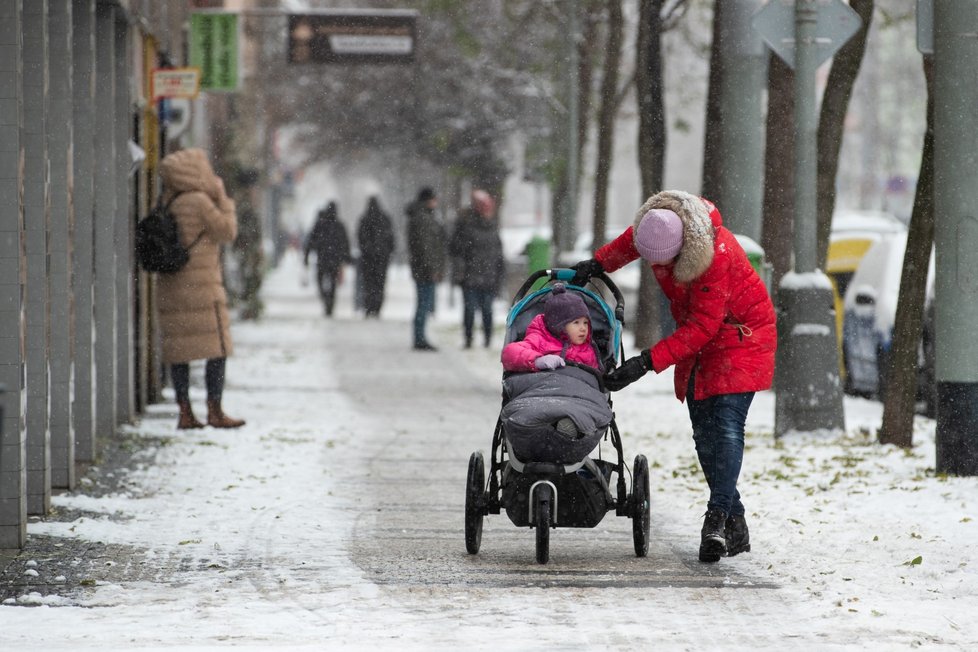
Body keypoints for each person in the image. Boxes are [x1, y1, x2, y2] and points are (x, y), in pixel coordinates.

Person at [571, 189, 776, 563]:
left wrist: (645, 363)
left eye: (664, 262)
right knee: (703, 436)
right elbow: (635, 243)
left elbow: (702, 326)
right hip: (702, 342)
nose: (657, 269)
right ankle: (737, 521)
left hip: (742, 337)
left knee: (726, 428)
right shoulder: (662, 223)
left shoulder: (716, 258)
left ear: (683, 248)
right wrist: (598, 264)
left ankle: (715, 520)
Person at [156, 147, 245, 430]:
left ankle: (185, 411)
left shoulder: (168, 200)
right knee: (217, 348)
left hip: (172, 286)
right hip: (202, 287)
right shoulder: (200, 201)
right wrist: (223, 198)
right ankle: (214, 410)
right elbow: (227, 231)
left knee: (179, 351)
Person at [449, 189, 505, 348]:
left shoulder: (490, 228)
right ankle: (470, 338)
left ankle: (486, 338)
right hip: (472, 276)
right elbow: (457, 250)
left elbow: (498, 254)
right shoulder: (467, 226)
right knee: (471, 310)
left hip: (486, 276)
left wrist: (499, 273)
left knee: (486, 310)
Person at [501, 284, 600, 373]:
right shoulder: (540, 340)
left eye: (586, 323)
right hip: (546, 388)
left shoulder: (588, 349)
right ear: (559, 325)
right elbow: (509, 354)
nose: (583, 328)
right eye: (576, 322)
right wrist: (537, 361)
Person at [406, 187, 447, 351]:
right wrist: (433, 268)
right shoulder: (423, 219)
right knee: (423, 304)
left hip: (422, 268)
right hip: (425, 270)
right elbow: (426, 247)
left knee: (423, 304)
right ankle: (419, 338)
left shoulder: (420, 217)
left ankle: (420, 336)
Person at [304, 202, 351, 316]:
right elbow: (345, 243)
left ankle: (326, 299)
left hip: (323, 259)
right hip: (334, 260)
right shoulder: (339, 225)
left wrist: (307, 255)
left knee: (320, 280)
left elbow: (311, 241)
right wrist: (346, 257)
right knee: (333, 284)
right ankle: (330, 303)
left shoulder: (320, 224)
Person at [356, 196, 396, 318]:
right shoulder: (385, 218)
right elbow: (391, 237)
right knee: (380, 283)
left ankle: (369, 306)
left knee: (369, 283)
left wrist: (366, 249)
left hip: (368, 257)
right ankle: (377, 307)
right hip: (382, 257)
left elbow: (360, 237)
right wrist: (388, 251)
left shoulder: (364, 219)